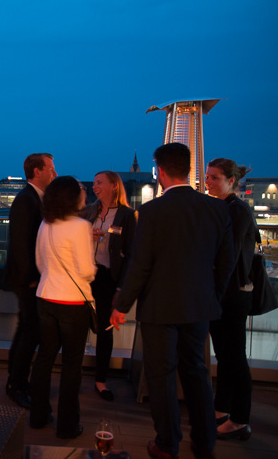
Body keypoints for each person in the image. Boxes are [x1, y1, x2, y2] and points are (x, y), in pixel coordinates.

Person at [110, 143, 233, 459]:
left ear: (160, 172)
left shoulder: (151, 211)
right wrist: (212, 297)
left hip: (159, 307)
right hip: (199, 306)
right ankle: (204, 443)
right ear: (189, 169)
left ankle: (167, 443)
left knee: (162, 376)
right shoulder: (218, 209)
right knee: (197, 372)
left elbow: (140, 264)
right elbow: (227, 263)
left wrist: (121, 306)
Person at [30, 176, 95, 439]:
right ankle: (67, 426)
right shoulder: (81, 226)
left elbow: (39, 263)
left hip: (45, 297)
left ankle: (38, 416)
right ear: (71, 197)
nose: (84, 193)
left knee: (44, 358)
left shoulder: (45, 224)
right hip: (72, 302)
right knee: (71, 364)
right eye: (81, 190)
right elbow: (87, 271)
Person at [205, 158, 256, 441]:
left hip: (232, 294)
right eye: (207, 176)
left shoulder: (236, 210)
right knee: (225, 356)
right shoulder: (224, 207)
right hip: (223, 292)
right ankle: (221, 408)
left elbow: (229, 255)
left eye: (214, 177)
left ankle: (240, 419)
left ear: (231, 181)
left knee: (234, 357)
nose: (208, 182)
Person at [4, 153, 56, 408]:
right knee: (30, 331)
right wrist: (30, 279)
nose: (54, 174)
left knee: (26, 329)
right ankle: (17, 384)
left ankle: (15, 379)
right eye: (51, 169)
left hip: (29, 278)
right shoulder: (27, 200)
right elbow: (21, 243)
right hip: (28, 279)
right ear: (37, 171)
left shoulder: (32, 198)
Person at [82, 171, 137, 401]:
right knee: (79, 326)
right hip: (85, 276)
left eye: (99, 182)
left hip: (107, 278)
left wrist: (121, 288)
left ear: (114, 186)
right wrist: (87, 236)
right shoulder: (89, 211)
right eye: (94, 182)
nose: (94, 186)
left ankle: (101, 380)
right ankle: (73, 375)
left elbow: (132, 254)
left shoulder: (127, 215)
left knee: (105, 330)